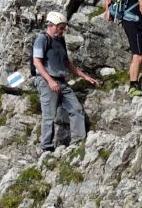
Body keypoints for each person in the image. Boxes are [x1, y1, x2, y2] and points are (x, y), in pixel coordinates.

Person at [31, 11, 99, 153]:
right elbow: (37, 62)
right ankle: (46, 147)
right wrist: (49, 81)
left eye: (64, 28)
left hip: (61, 81)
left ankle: (77, 142)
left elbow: (67, 62)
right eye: (60, 27)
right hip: (47, 80)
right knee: (49, 115)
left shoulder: (60, 40)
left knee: (76, 109)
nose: (62, 31)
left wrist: (84, 76)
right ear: (51, 25)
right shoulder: (42, 39)